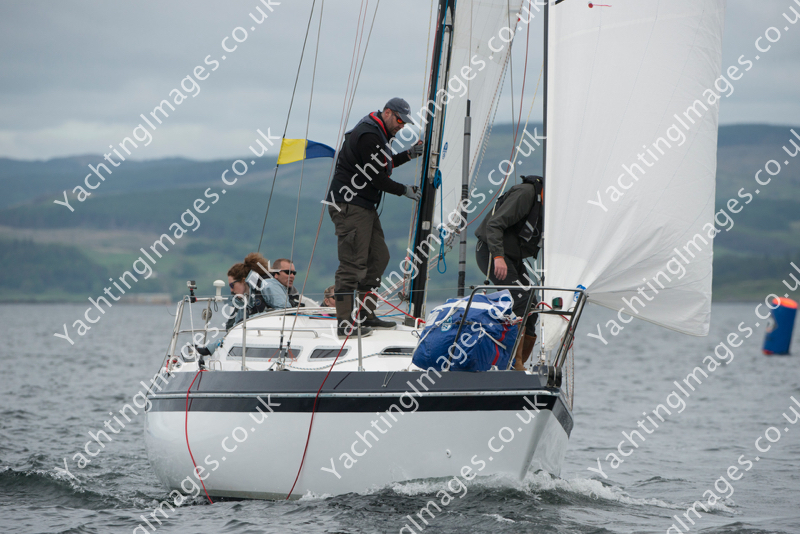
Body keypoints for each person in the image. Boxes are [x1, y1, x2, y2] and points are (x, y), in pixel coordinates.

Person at [327, 97, 423, 337]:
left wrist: (409, 154)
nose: (402, 126)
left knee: (379, 257)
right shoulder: (369, 135)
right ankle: (344, 324)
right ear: (387, 112)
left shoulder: (379, 133)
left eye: (405, 123)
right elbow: (376, 178)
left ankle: (366, 314)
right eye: (400, 120)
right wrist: (404, 190)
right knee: (352, 264)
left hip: (363, 206)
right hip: (350, 205)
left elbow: (382, 165)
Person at [474, 175, 544, 371]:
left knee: (532, 305)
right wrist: (498, 256)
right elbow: (494, 224)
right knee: (519, 300)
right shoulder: (525, 194)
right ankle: (513, 363)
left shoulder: (547, 205)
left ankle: (519, 363)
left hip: (513, 258)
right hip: (491, 252)